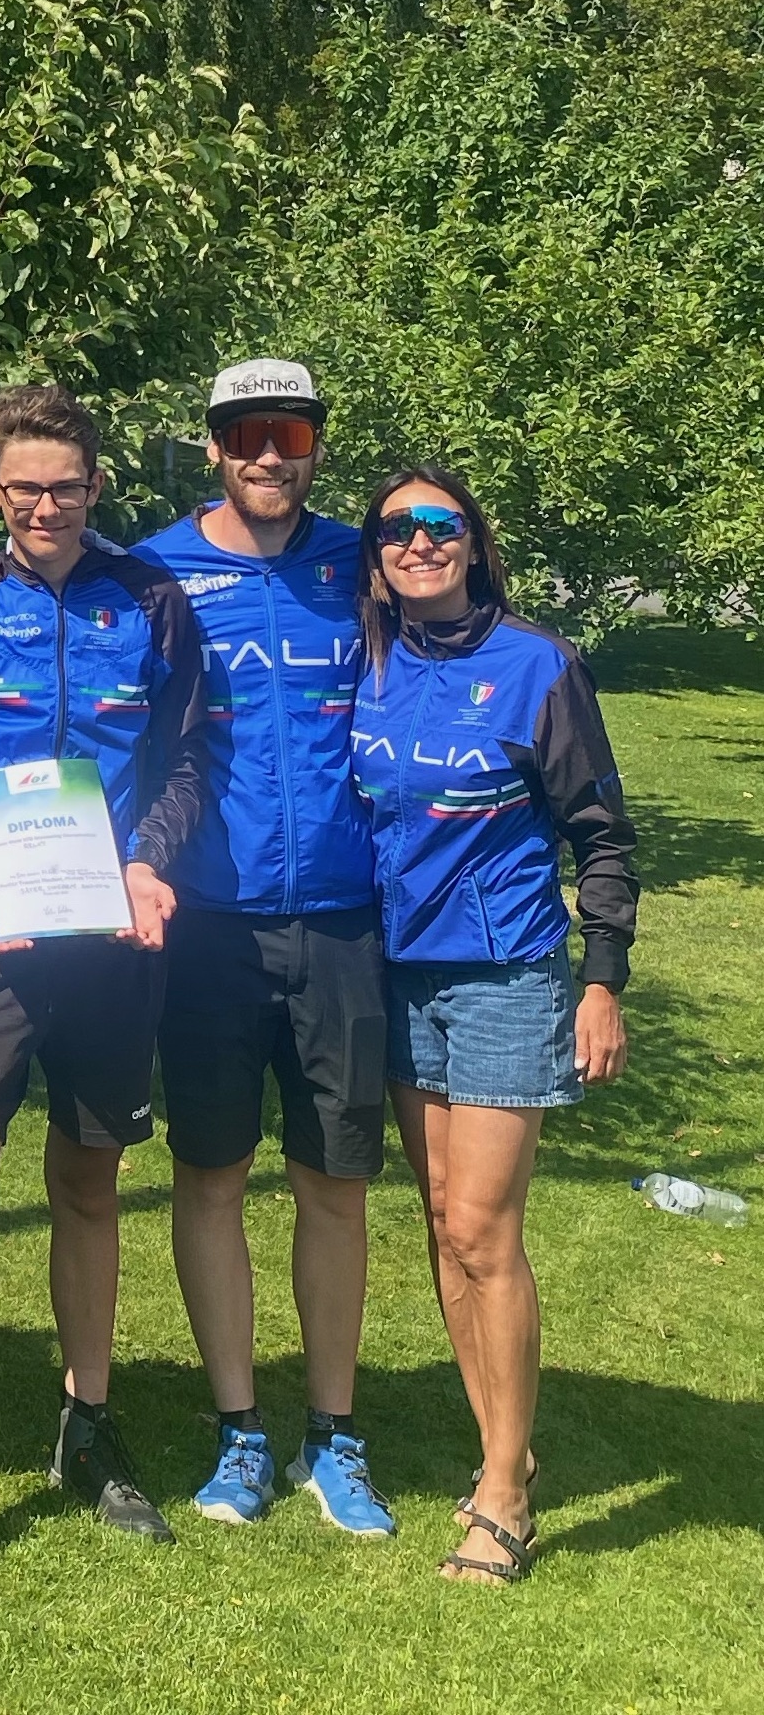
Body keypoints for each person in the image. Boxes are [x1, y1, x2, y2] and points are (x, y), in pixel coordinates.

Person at [0, 383, 208, 1582]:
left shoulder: (150, 599)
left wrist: (147, 860)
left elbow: (188, 756)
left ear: (94, 486)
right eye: (23, 487)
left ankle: (87, 1423)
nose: (44, 506)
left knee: (87, 1185)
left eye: (65, 486)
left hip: (113, 934)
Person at [352, 465, 636, 1585]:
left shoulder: (537, 665)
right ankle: (496, 1450)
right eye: (395, 529)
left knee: (482, 1229)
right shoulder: (369, 660)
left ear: (472, 541)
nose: (418, 542)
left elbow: (600, 833)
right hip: (394, 977)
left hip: (506, 974)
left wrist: (601, 979)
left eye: (440, 525)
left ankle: (507, 1494)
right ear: (375, 556)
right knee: (438, 1221)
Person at [132, 360, 395, 1537]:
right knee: (213, 1173)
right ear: (213, 446)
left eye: (288, 432)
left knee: (333, 1183)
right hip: (207, 921)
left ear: (315, 443)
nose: (267, 454)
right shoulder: (152, 572)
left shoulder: (364, 563)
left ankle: (333, 1433)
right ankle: (238, 1428)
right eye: (245, 434)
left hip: (342, 917)